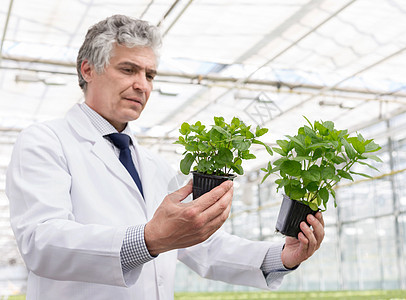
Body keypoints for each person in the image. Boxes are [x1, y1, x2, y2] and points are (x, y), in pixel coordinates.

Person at [6, 15, 324, 300]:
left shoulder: (154, 165)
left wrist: (282, 256)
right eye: (128, 69)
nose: (141, 85)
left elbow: (202, 246)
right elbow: (42, 242)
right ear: (88, 69)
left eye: (150, 74)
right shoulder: (45, 142)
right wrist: (148, 240)